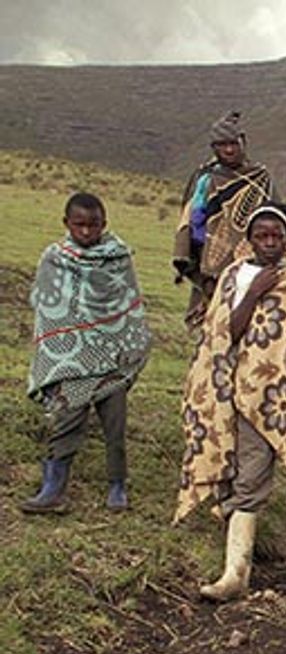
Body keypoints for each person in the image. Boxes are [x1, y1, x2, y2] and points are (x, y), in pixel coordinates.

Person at [176, 202, 286, 602]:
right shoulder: (235, 278)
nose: (270, 242)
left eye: (277, 235)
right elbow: (227, 332)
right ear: (250, 239)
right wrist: (254, 293)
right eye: (262, 235)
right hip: (249, 395)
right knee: (251, 477)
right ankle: (234, 573)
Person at [23, 193, 151, 514]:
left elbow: (129, 307)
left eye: (93, 225)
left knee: (115, 425)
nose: (85, 232)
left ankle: (117, 485)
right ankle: (53, 488)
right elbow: (45, 304)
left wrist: (120, 345)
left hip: (111, 358)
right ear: (66, 224)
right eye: (79, 225)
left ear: (103, 224)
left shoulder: (118, 258)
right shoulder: (54, 258)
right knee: (67, 420)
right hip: (72, 361)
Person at [172, 110, 277, 329]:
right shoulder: (205, 179)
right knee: (214, 332)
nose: (229, 149)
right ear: (213, 148)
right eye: (222, 144)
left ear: (243, 142)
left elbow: (278, 221)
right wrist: (203, 269)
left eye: (233, 143)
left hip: (255, 266)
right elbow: (191, 225)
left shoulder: (261, 178)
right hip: (211, 269)